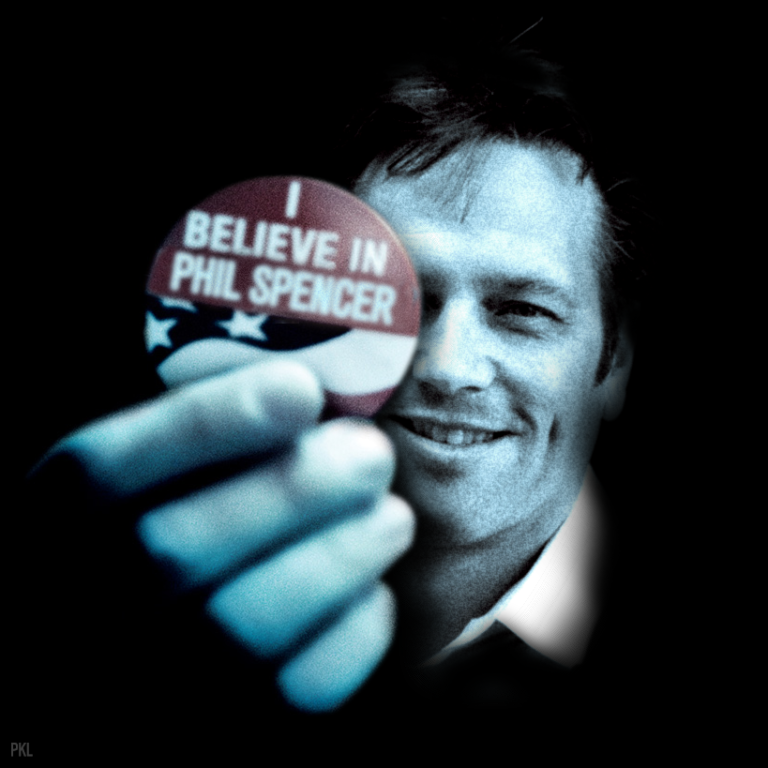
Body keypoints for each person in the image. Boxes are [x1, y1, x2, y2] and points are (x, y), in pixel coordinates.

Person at [17, 23, 651, 750]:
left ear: (614, 363)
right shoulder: (137, 589)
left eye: (523, 312)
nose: (449, 367)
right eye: (398, 301)